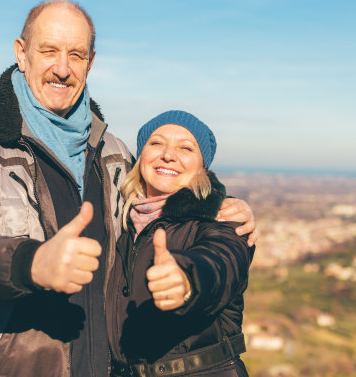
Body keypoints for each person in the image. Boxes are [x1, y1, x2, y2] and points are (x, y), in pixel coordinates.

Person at [0, 0, 257, 377]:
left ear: (90, 63)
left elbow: (173, 206)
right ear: (21, 54)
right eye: (48, 51)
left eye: (75, 55)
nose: (62, 68)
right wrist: (29, 264)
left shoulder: (113, 154)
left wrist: (222, 206)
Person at [107, 111, 254, 377]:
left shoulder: (225, 221)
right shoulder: (121, 226)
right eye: (156, 143)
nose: (168, 155)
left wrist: (188, 279)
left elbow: (221, 262)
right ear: (141, 157)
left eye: (186, 148)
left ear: (202, 166)